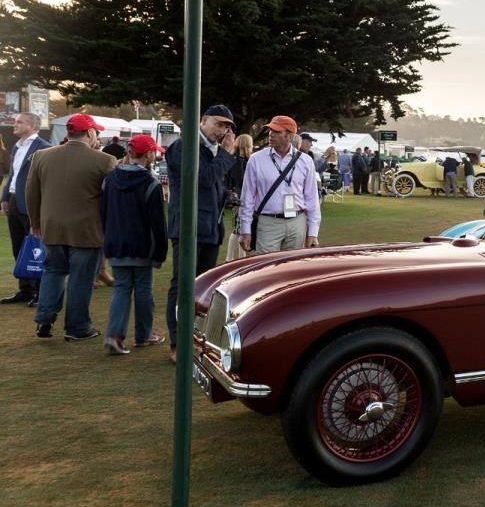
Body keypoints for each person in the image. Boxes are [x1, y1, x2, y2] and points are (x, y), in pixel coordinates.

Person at [28, 113, 117, 340]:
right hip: (87, 230)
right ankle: (77, 328)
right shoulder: (104, 160)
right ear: (89, 133)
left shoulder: (41, 155)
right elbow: (111, 199)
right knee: (81, 278)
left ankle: (44, 320)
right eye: (96, 131)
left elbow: (31, 193)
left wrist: (35, 222)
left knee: (53, 271)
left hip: (52, 226)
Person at [165, 104, 237, 362]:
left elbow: (210, 186)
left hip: (209, 227)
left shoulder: (210, 149)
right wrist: (227, 155)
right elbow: (203, 178)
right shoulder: (183, 146)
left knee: (202, 287)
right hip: (189, 227)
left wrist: (227, 197)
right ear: (202, 120)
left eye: (227, 127)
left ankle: (195, 339)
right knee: (183, 285)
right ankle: (177, 342)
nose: (223, 130)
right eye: (218, 124)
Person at [100, 135, 168, 354]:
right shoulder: (151, 183)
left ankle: (114, 334)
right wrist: (160, 251)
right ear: (148, 154)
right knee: (143, 290)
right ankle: (144, 334)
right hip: (141, 246)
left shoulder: (110, 179)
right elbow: (158, 223)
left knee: (121, 289)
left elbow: (103, 212)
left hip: (116, 243)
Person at [238, 116, 321, 255]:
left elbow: (312, 198)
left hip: (297, 222)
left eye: (276, 131)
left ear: (289, 136)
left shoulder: (306, 161)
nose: (271, 134)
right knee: (265, 270)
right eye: (270, 130)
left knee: (292, 271)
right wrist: (245, 230)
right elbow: (247, 197)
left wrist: (313, 232)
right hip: (267, 223)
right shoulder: (256, 159)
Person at [2, 112, 51, 306]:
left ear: (32, 126)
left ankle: (40, 292)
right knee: (18, 248)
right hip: (14, 201)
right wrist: (5, 197)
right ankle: (25, 289)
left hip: (32, 204)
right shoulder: (16, 146)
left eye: (19, 122)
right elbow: (13, 176)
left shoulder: (44, 148)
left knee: (36, 248)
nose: (15, 125)